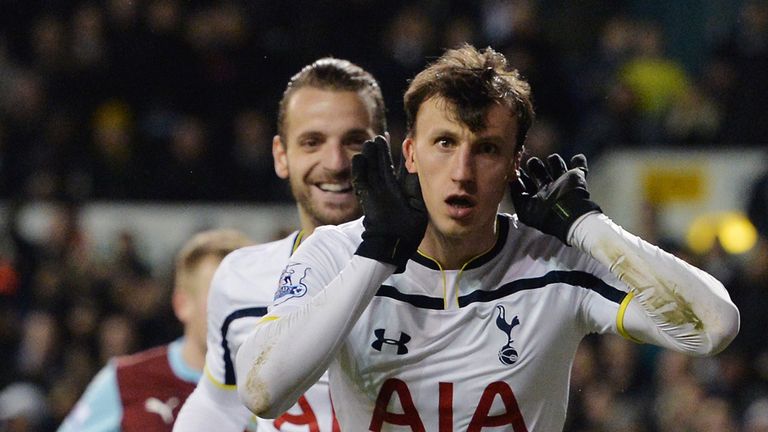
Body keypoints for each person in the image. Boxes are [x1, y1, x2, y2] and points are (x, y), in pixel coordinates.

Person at [234, 44, 740, 431]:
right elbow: (263, 391)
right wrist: (377, 256)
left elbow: (713, 326)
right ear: (410, 154)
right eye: (445, 143)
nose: (462, 172)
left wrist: (590, 229)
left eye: (488, 149)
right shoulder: (339, 252)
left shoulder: (556, 264)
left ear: (515, 164)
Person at [173, 57, 388, 431]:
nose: (336, 162)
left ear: (387, 153)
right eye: (312, 142)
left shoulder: (437, 275)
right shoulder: (240, 278)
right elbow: (220, 404)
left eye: (354, 141)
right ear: (280, 155)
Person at [57, 229, 253, 432]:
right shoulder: (125, 381)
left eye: (245, 298)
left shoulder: (274, 391)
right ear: (182, 304)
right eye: (220, 298)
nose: (235, 312)